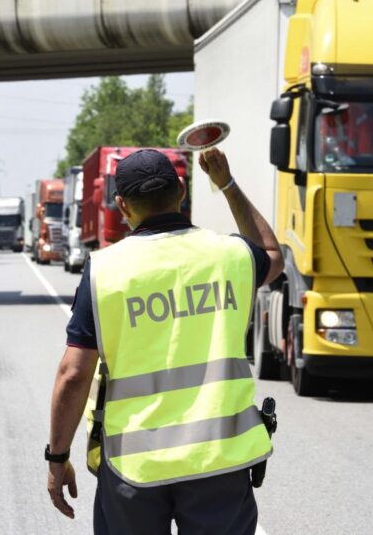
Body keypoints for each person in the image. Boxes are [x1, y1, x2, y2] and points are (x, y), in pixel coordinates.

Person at [46, 148, 284, 534]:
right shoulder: (232, 256)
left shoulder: (105, 270)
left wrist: (57, 458)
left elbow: (73, 374)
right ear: (182, 191)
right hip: (219, 460)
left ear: (122, 205)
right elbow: (272, 253)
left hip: (133, 467)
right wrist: (227, 184)